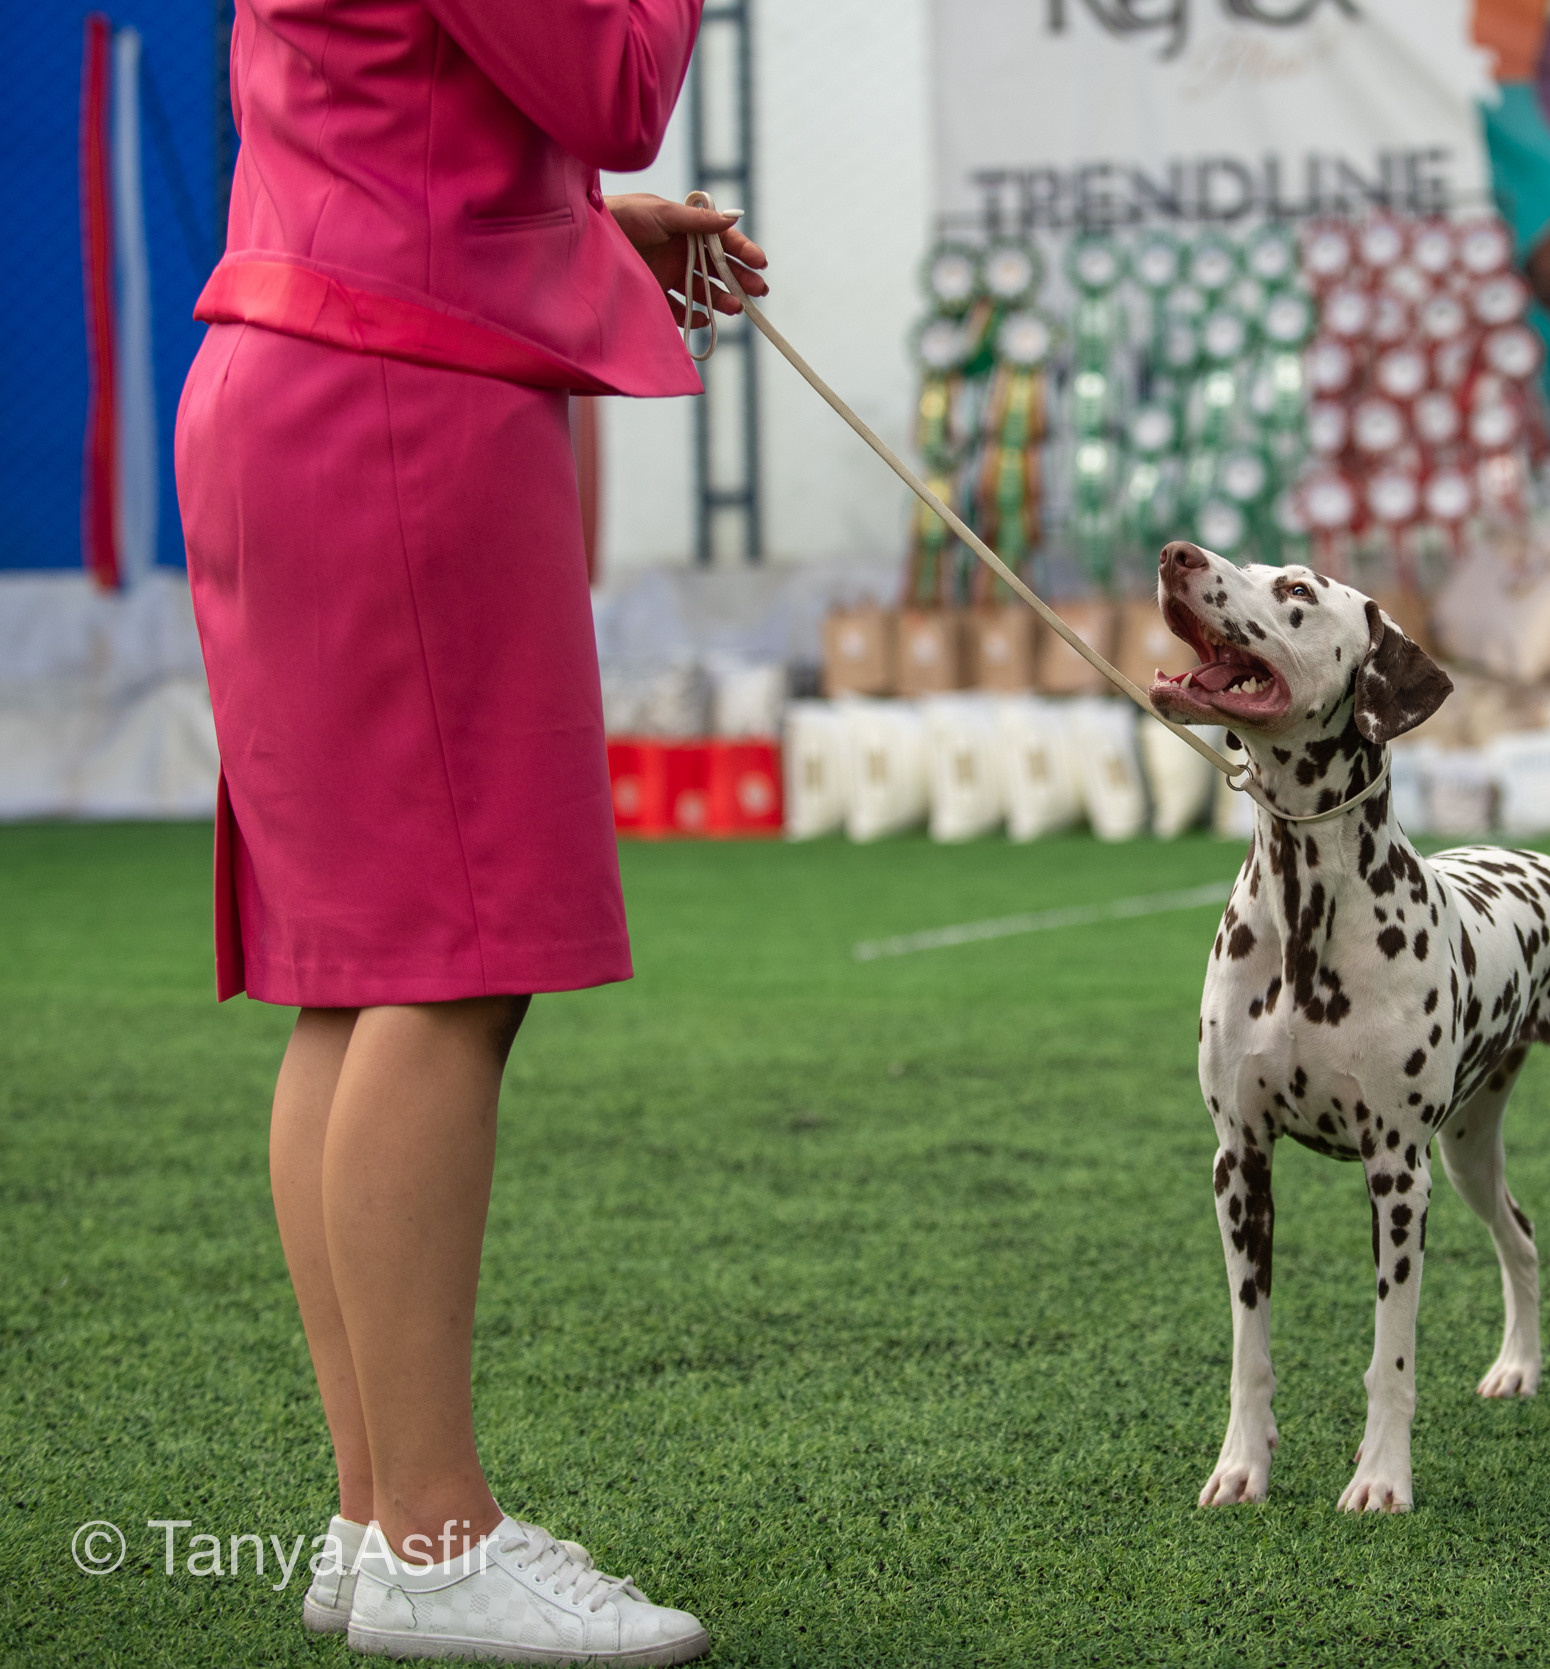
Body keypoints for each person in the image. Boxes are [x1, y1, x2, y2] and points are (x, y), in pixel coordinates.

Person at [175, 1, 765, 1660]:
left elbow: (410, 101)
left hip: (299, 373)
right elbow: (618, 79)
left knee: (354, 979)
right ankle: (436, 1543)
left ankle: (381, 1525)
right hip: (394, 405)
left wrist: (573, 226)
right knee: (447, 969)